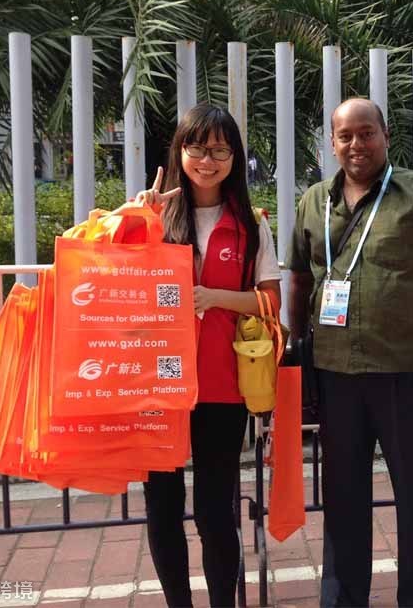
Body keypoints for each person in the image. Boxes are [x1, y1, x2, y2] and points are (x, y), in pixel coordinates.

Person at [287, 97, 413, 607]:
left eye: (366, 133)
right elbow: (300, 278)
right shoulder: (314, 200)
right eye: (345, 135)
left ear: (385, 136)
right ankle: (342, 599)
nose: (357, 144)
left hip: (406, 372)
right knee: (343, 499)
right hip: (334, 372)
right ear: (332, 143)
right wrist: (294, 347)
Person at [134, 103, 282, 608]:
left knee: (215, 512)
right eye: (197, 148)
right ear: (179, 152)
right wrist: (136, 219)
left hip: (222, 384)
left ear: (235, 158)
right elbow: (111, 276)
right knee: (162, 508)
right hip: (158, 386)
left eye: (220, 150)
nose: (207, 160)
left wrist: (214, 297)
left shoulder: (251, 225)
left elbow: (269, 303)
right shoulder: (152, 218)